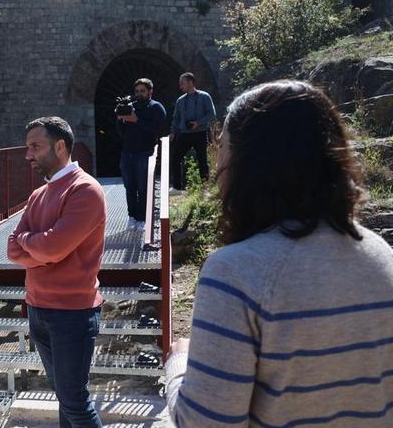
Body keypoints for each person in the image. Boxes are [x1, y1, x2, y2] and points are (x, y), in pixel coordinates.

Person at [165, 81, 393, 427]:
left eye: (222, 145)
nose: (216, 161)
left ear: (247, 162)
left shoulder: (234, 273)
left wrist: (177, 364)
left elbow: (205, 423)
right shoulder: (381, 254)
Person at [6, 117, 106, 428]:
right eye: (27, 148)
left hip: (72, 314)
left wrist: (36, 246)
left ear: (60, 146)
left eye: (35, 147)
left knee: (75, 401)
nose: (28, 155)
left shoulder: (85, 190)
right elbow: (12, 250)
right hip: (38, 309)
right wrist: (41, 245)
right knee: (65, 397)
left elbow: (51, 248)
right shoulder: (38, 195)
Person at [115, 78, 167, 232]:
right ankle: (131, 217)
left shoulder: (156, 108)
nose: (139, 94)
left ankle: (142, 219)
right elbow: (121, 133)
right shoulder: (130, 107)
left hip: (145, 153)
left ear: (150, 91)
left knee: (143, 187)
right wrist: (120, 120)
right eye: (137, 91)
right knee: (129, 187)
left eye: (142, 91)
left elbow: (158, 130)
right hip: (127, 152)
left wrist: (136, 120)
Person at [170, 72, 216, 192]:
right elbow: (176, 118)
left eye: (182, 83)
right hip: (184, 134)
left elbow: (212, 114)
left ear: (190, 82)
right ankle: (176, 187)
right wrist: (172, 132)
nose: (180, 86)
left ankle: (205, 188)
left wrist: (198, 123)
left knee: (202, 159)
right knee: (175, 158)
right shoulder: (180, 100)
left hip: (200, 133)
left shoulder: (204, 96)